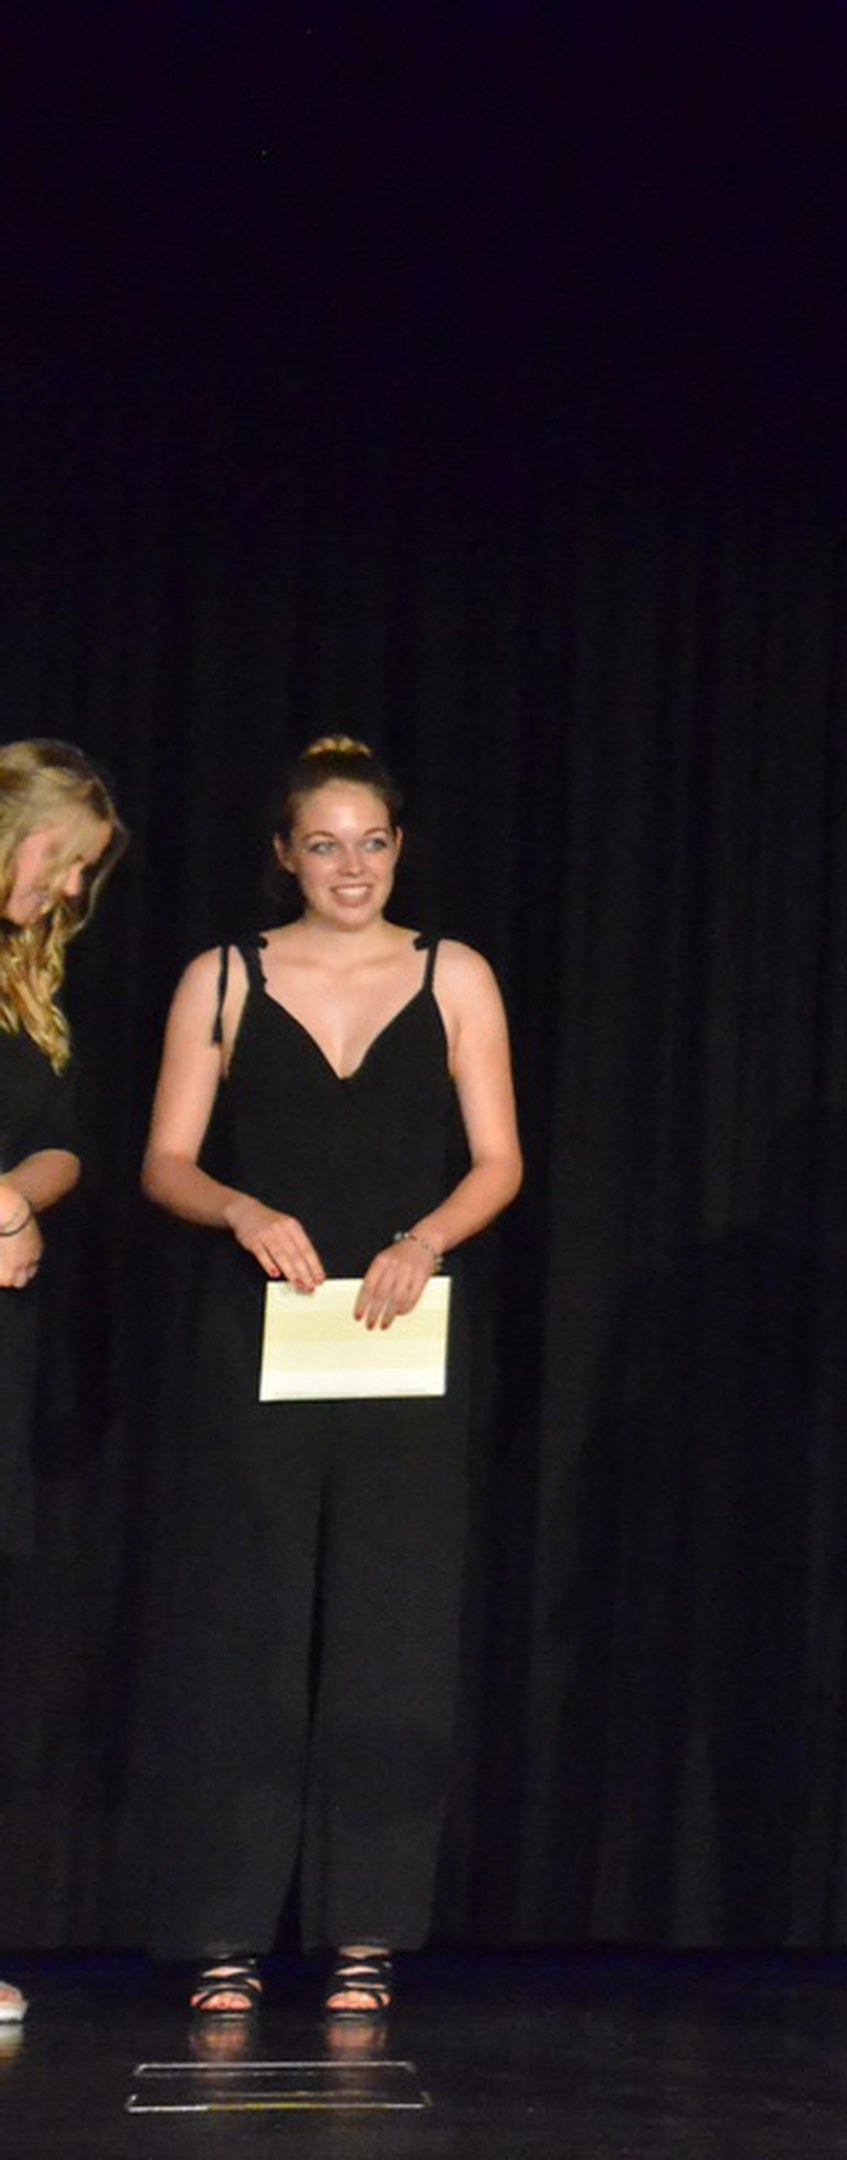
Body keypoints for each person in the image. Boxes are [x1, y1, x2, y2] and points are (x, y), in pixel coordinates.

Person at [138, 736, 523, 2023]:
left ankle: (367, 1933)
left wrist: (425, 1241)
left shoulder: (456, 973)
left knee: (391, 1631)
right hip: (262, 1331)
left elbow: (500, 1161)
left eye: (371, 843)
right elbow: (165, 1162)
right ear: (284, 855)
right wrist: (241, 1207)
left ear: (399, 847)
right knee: (245, 1628)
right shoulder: (223, 977)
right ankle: (224, 1934)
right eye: (323, 845)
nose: (350, 868)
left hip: (402, 1330)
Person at [0, 740, 126, 2032]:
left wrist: (15, 1198)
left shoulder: (22, 973)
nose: (73, 889)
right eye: (67, 858)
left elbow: (60, 1143)